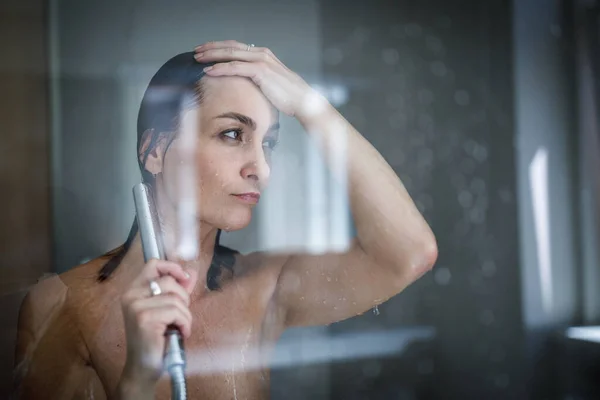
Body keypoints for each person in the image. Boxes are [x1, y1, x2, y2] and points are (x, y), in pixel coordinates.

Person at [14, 40, 438, 399]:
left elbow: (409, 253)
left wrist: (312, 107)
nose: (262, 168)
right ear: (155, 152)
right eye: (233, 134)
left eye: (267, 142)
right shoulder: (62, 304)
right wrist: (137, 382)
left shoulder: (265, 287)